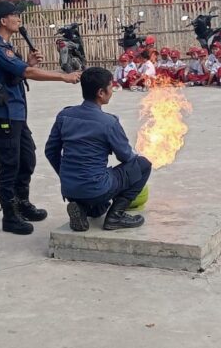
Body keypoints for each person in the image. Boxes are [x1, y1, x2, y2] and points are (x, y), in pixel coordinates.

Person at [0, 1, 81, 236]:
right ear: (3, 21)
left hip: (16, 114)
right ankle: (10, 214)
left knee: (27, 159)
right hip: (5, 115)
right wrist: (63, 77)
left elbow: (19, 71)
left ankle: (22, 203)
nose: (18, 18)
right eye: (14, 15)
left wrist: (28, 63)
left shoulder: (6, 46)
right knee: (10, 164)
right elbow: (27, 73)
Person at [44, 67, 152, 232]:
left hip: (69, 188)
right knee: (143, 164)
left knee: (100, 207)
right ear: (101, 93)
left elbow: (50, 151)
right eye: (110, 87)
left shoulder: (64, 116)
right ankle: (116, 216)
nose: (112, 90)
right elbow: (126, 157)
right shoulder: (108, 122)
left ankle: (82, 208)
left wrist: (66, 175)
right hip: (96, 187)